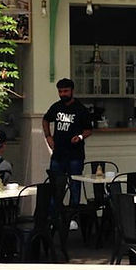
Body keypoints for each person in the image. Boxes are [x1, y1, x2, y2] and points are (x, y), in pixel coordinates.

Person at [42, 78, 92, 207]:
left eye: (66, 91)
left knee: (75, 187)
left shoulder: (80, 109)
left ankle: (72, 217)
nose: (63, 94)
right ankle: (55, 218)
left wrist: (80, 137)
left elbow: (89, 130)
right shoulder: (56, 107)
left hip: (75, 155)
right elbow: (45, 120)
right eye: (60, 91)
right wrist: (48, 136)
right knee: (56, 188)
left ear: (72, 91)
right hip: (58, 154)